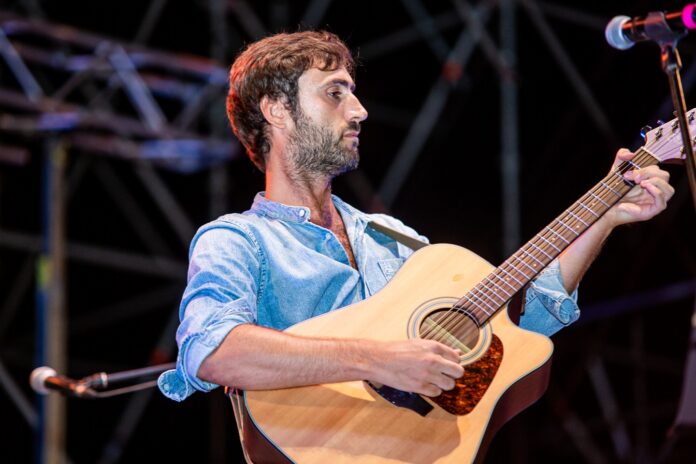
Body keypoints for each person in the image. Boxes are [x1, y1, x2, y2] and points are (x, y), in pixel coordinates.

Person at [157, 31, 673, 402]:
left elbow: (521, 325)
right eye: (335, 93)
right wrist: (378, 360)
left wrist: (606, 214)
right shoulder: (236, 240)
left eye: (353, 94)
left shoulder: (393, 238)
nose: (358, 111)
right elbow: (212, 349)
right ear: (275, 109)